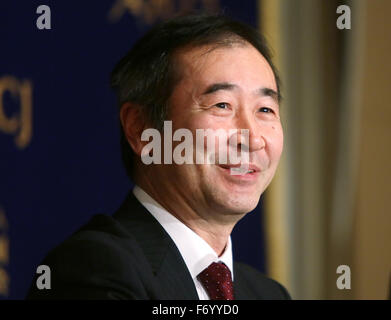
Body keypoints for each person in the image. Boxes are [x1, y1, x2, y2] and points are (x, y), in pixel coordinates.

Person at [26, 13, 290, 300]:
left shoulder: (268, 294)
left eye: (265, 110)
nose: (252, 138)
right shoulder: (93, 269)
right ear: (141, 129)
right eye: (222, 105)